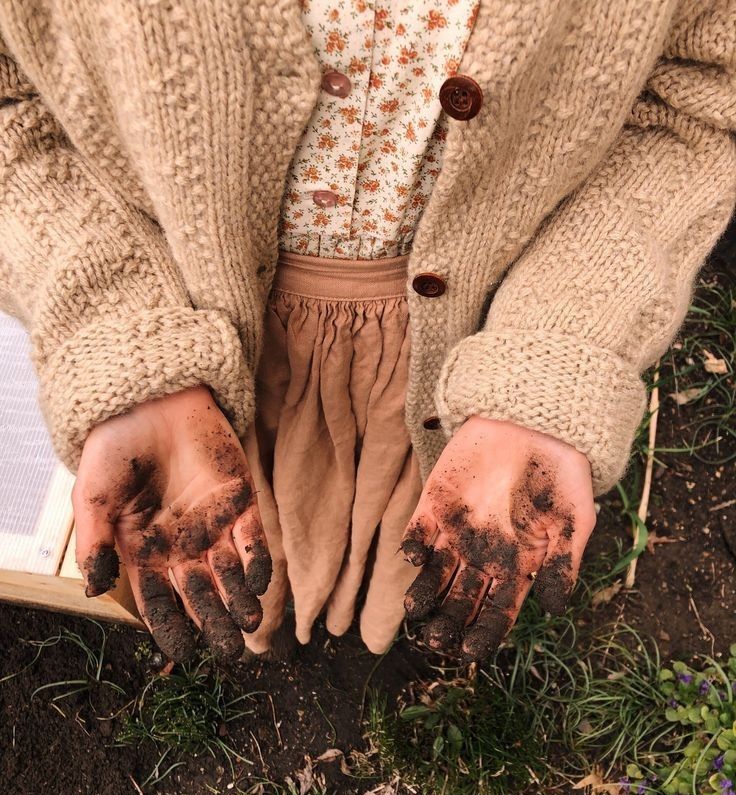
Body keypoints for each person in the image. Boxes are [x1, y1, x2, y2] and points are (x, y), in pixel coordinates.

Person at [0, 1, 733, 665]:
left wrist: (557, 345)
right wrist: (125, 331)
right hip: (204, 321)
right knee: (246, 532)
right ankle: (287, 611)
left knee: (415, 536)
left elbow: (703, 99)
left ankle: (367, 612)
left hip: (472, 330)